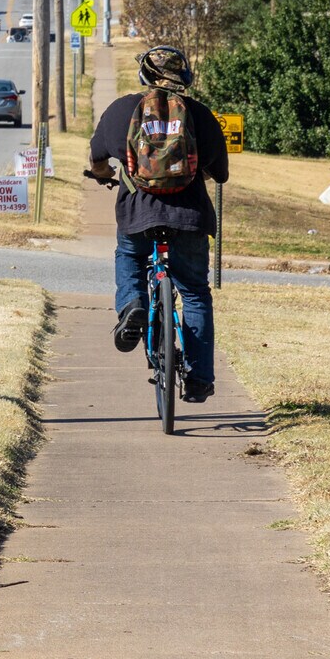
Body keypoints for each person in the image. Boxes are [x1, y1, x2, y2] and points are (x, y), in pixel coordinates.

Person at [85, 45, 229, 402]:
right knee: (194, 292)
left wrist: (105, 175)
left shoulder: (121, 111)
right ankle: (198, 379)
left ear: (144, 76)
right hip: (189, 218)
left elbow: (97, 158)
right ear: (186, 79)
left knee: (130, 256)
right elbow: (220, 173)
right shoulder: (199, 115)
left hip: (138, 214)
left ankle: (133, 304)